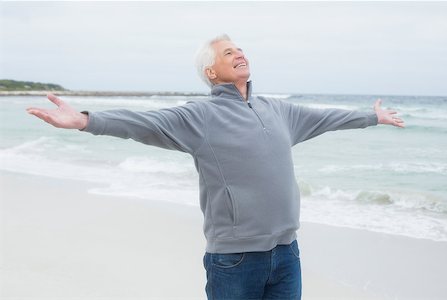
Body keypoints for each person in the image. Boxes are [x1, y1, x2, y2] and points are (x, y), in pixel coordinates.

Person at [27, 34, 404, 300]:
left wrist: (370, 117)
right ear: (211, 72)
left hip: (288, 252)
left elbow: (326, 118)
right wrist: (86, 121)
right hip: (235, 260)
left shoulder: (278, 111)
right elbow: (144, 123)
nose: (239, 53)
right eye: (228, 52)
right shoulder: (201, 116)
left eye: (240, 48)